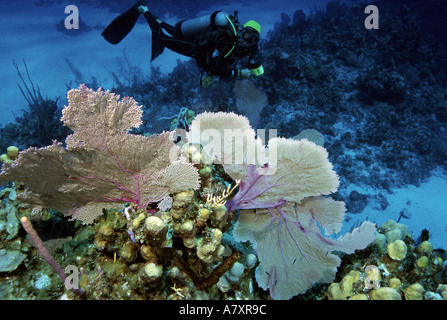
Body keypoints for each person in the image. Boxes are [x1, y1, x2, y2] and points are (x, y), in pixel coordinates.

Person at [102, 1, 264, 87]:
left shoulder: (250, 48)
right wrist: (238, 73)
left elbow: (231, 64)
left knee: (174, 32)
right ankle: (143, 9)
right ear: (242, 31)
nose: (249, 40)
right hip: (194, 48)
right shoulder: (225, 41)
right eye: (247, 34)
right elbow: (213, 67)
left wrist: (251, 69)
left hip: (203, 44)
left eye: (253, 38)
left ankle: (156, 19)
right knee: (164, 39)